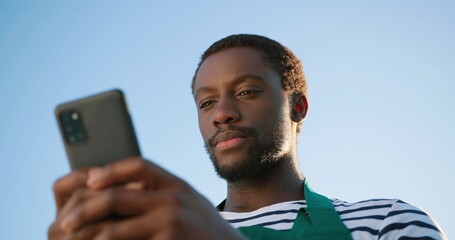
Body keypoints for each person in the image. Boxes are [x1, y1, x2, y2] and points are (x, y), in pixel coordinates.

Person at [48, 34, 446, 239]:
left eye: (246, 92)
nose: (221, 113)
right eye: (205, 103)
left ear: (298, 107)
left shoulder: (386, 222)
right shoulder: (159, 234)